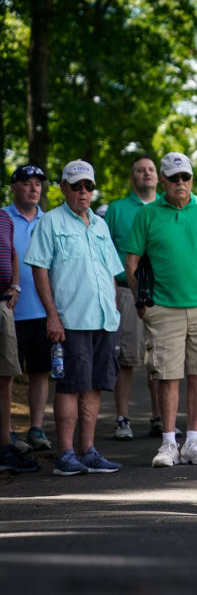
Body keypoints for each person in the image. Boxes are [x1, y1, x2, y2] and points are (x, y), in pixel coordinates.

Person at [125, 152, 197, 467]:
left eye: (185, 177)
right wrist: (141, 301)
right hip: (163, 307)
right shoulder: (147, 214)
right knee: (167, 377)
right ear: (164, 181)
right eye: (174, 179)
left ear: (192, 179)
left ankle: (193, 443)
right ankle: (169, 443)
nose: (180, 183)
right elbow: (131, 261)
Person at [25, 160, 124, 475]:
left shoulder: (99, 224)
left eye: (88, 186)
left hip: (103, 319)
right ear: (63, 188)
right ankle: (65, 454)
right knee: (69, 386)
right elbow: (39, 269)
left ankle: (88, 450)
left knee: (94, 385)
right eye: (77, 186)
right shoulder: (50, 223)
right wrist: (52, 316)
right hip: (71, 320)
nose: (83, 192)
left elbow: (110, 271)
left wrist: (115, 308)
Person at [103, 155, 162, 440]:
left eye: (151, 169)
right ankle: (122, 418)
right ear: (132, 178)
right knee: (126, 359)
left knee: (160, 360)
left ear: (158, 176)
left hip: (165, 295)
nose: (146, 173)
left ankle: (159, 418)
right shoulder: (116, 209)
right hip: (127, 292)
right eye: (140, 170)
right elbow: (107, 253)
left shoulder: (169, 206)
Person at [4, 164, 53, 451]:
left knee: (40, 372)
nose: (34, 188)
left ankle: (36, 429)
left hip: (43, 311)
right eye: (27, 183)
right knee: (6, 375)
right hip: (10, 311)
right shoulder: (1, 218)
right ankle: (7, 431)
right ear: (13, 187)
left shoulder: (49, 222)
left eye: (38, 183)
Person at [0, 205, 40, 473]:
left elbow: (12, 253)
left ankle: (4, 447)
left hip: (3, 305)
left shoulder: (3, 218)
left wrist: (15, 285)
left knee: (4, 377)